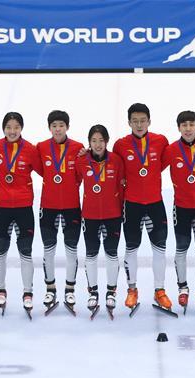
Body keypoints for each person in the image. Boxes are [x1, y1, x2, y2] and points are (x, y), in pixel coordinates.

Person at [112, 103, 171, 313]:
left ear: (149, 121)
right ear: (128, 122)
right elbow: (112, 167)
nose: (139, 124)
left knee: (160, 250)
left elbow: (167, 161)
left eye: (142, 120)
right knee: (131, 248)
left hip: (155, 203)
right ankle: (132, 289)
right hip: (132, 205)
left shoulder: (161, 141)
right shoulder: (120, 145)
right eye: (135, 121)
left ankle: (160, 290)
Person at [0, 112, 42, 314]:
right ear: (4, 128)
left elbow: (46, 171)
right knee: (0, 250)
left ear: (21, 128)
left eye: (16, 127)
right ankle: (0, 290)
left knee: (25, 251)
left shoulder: (30, 149)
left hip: (23, 207)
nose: (12, 131)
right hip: (1, 207)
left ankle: (28, 293)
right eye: (9, 127)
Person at [162, 110, 195, 313]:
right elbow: (151, 169)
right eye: (184, 125)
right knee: (181, 249)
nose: (188, 129)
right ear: (178, 128)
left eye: (192, 125)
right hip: (181, 208)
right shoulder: (171, 149)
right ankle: (182, 288)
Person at [35, 110, 85, 313]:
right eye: (54, 125)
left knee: (71, 249)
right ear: (49, 128)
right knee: (49, 249)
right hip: (48, 207)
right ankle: (50, 287)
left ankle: (70, 288)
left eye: (61, 125)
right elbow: (41, 170)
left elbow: (81, 174)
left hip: (72, 207)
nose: (58, 129)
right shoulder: (41, 147)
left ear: (67, 127)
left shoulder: (78, 148)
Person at [75, 125, 125, 316]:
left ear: (107, 141)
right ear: (89, 142)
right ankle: (93, 291)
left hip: (113, 215)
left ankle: (111, 291)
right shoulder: (81, 161)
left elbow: (122, 185)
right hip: (90, 215)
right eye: (94, 141)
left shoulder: (117, 161)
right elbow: (74, 182)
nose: (97, 144)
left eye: (101, 140)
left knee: (112, 253)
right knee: (91, 254)